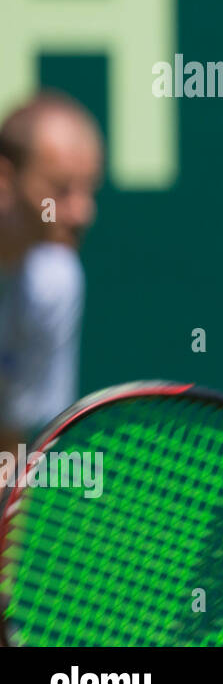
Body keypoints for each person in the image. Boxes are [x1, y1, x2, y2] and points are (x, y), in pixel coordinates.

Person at [0, 90, 103, 472]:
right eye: (60, 190)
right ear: (5, 178)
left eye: (89, 188)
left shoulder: (55, 284)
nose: (82, 212)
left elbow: (8, 446)